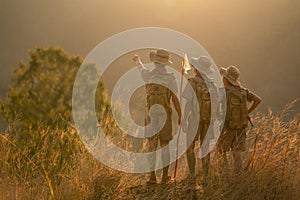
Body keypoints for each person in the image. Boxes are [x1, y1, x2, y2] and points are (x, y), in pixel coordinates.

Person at [133, 49, 181, 184]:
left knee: (152, 146)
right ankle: (165, 177)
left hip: (151, 115)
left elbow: (140, 68)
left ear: (155, 62)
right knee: (165, 145)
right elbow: (175, 99)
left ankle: (152, 177)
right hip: (165, 115)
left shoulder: (148, 75)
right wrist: (180, 115)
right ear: (166, 63)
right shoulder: (170, 78)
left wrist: (137, 60)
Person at [182, 56, 219, 186]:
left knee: (190, 147)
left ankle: (192, 177)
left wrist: (184, 118)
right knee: (205, 147)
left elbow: (188, 103)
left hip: (195, 119)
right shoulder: (212, 84)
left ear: (197, 69)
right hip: (209, 120)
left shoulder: (192, 82)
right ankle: (205, 177)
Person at [217, 65, 261, 173]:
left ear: (226, 79)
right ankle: (238, 177)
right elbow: (258, 100)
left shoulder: (223, 91)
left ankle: (225, 176)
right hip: (241, 125)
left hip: (227, 126)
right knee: (237, 153)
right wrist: (247, 112)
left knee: (222, 151)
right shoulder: (243, 91)